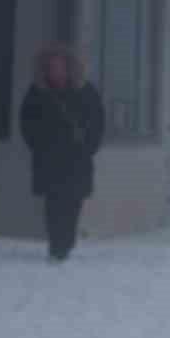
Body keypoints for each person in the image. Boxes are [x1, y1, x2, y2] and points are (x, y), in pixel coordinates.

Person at [18, 42, 103, 262]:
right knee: (53, 203)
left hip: (77, 159)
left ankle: (65, 242)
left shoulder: (85, 91)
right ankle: (57, 245)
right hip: (49, 159)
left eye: (60, 66)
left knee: (72, 202)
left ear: (69, 67)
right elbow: (27, 123)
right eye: (51, 66)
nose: (56, 71)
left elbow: (97, 122)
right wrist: (39, 145)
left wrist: (88, 147)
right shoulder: (37, 93)